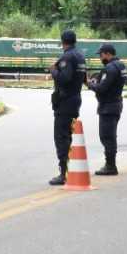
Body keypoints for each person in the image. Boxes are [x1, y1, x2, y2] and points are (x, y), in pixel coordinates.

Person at [48, 29, 87, 185]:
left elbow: (64, 78)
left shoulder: (67, 57)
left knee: (61, 137)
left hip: (65, 102)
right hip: (75, 99)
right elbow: (83, 78)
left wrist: (53, 71)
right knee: (69, 136)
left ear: (62, 42)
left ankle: (63, 173)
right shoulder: (80, 56)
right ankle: (70, 169)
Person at [88, 43, 126, 175]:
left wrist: (90, 84)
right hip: (116, 103)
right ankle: (110, 164)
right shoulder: (121, 65)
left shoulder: (109, 68)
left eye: (101, 55)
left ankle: (110, 166)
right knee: (110, 136)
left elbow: (102, 88)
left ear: (108, 54)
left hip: (108, 106)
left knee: (107, 136)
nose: (100, 58)